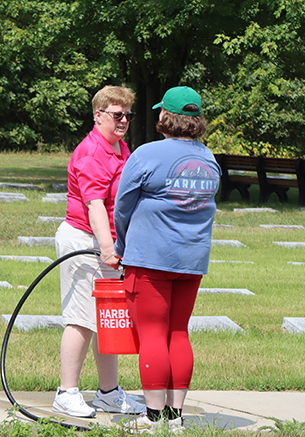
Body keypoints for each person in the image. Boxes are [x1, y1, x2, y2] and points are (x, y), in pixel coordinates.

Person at [113, 86, 220, 431]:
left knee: (153, 335)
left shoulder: (146, 154)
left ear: (166, 116)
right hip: (192, 260)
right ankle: (176, 415)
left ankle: (153, 415)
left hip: (150, 259)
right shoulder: (209, 159)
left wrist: (121, 246)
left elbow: (123, 206)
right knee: (179, 332)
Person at [52, 85, 145, 418]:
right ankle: (66, 392)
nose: (124, 121)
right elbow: (94, 205)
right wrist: (107, 248)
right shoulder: (92, 152)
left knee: (106, 320)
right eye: (117, 115)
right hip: (85, 241)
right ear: (98, 115)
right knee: (80, 319)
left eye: (128, 115)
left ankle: (108, 393)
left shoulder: (120, 148)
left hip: (106, 244)